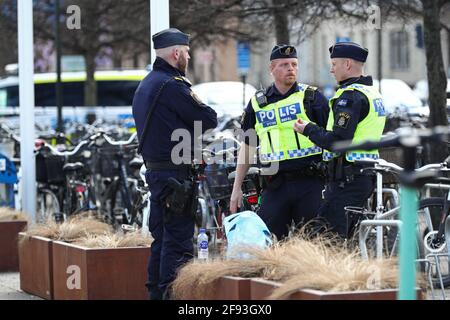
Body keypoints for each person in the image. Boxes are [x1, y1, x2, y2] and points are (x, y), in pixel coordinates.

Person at [132, 28, 217, 300]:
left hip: (157, 173)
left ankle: (156, 295)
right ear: (176, 53)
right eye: (187, 52)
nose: (189, 57)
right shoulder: (172, 85)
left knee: (161, 241)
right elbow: (208, 118)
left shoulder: (147, 82)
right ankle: (173, 296)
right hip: (174, 175)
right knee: (178, 243)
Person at [230, 44, 329, 241]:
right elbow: (248, 147)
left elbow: (331, 139)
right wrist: (236, 189)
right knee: (268, 242)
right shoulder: (257, 103)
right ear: (272, 68)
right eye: (284, 64)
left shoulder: (312, 98)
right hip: (275, 185)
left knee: (314, 243)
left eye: (294, 64)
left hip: (310, 182)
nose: (291, 68)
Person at [293, 41, 386, 239]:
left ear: (348, 65)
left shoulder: (350, 97)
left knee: (325, 238)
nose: (331, 69)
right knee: (341, 236)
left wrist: (307, 129)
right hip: (362, 175)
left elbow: (338, 141)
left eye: (334, 64)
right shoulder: (372, 92)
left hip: (348, 179)